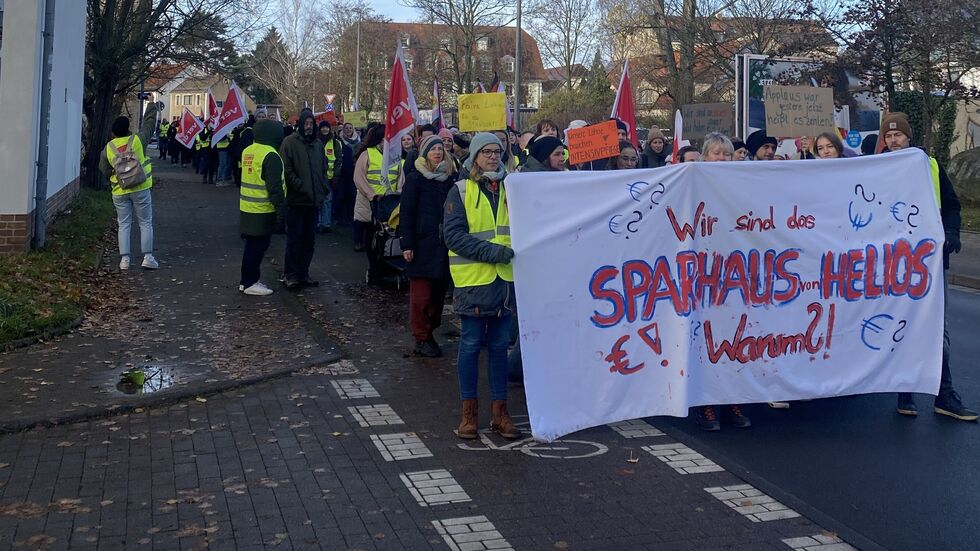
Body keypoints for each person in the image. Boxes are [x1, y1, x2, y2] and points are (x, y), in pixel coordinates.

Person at [880, 112, 976, 421]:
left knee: (937, 330)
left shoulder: (931, 166)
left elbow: (951, 205)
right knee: (899, 325)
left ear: (908, 136)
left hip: (929, 263)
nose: (893, 140)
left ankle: (944, 395)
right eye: (888, 136)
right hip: (892, 265)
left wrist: (952, 233)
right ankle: (905, 393)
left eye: (898, 135)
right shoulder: (875, 170)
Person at [443, 132, 520, 440]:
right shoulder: (460, 190)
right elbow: (454, 236)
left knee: (500, 348)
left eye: (497, 151)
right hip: (474, 282)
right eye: (486, 151)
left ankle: (500, 413)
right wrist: (493, 252)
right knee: (471, 346)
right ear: (474, 156)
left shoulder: (512, 189)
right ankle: (469, 414)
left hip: (504, 282)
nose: (492, 156)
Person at [695, 131, 750, 431]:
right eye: (716, 153)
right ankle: (706, 404)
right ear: (705, 157)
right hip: (704, 274)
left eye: (727, 154)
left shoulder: (743, 184)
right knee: (707, 340)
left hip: (736, 274)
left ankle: (732, 400)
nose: (722, 158)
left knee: (735, 338)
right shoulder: (691, 183)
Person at [400, 135, 456, 357]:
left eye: (440, 148)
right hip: (422, 244)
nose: (438, 152)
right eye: (433, 149)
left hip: (443, 245)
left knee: (438, 295)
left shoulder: (449, 179)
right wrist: (407, 244)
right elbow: (407, 212)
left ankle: (430, 330)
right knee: (421, 296)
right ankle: (421, 337)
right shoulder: (415, 179)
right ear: (425, 153)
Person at [100, 102, 159, 271]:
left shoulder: (108, 148)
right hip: (140, 188)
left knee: (124, 224)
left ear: (114, 131)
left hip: (119, 191)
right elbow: (149, 124)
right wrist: (151, 105)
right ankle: (148, 257)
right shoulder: (138, 140)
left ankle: (124, 260)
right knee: (145, 223)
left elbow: (104, 169)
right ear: (128, 129)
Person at [279, 108, 329, 289]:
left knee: (309, 240)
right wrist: (300, 186)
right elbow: (286, 169)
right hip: (296, 200)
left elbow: (323, 168)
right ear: (300, 124)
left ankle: (303, 273)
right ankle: (291, 274)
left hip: (313, 200)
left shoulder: (317, 145)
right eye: (306, 124)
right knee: (295, 239)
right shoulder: (289, 143)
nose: (308, 127)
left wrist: (322, 188)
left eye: (311, 124)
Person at [239, 119, 286, 296]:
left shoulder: (248, 151)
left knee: (251, 246)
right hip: (263, 209)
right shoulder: (271, 155)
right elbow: (274, 187)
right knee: (258, 248)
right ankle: (251, 282)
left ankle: (245, 281)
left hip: (247, 207)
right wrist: (280, 210)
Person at [353, 125, 405, 270]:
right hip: (370, 203)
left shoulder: (395, 156)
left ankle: (385, 267)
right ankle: (373, 268)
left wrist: (398, 193)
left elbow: (400, 177)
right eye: (383, 140)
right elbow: (359, 178)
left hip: (390, 204)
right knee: (371, 237)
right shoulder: (367, 154)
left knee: (388, 237)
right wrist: (372, 195)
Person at [317, 121, 341, 233]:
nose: (325, 129)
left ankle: (326, 224)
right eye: (323, 127)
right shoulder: (315, 141)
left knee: (327, 200)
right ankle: (317, 223)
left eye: (326, 127)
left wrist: (336, 175)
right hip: (317, 176)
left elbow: (338, 160)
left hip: (330, 177)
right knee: (317, 200)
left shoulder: (335, 143)